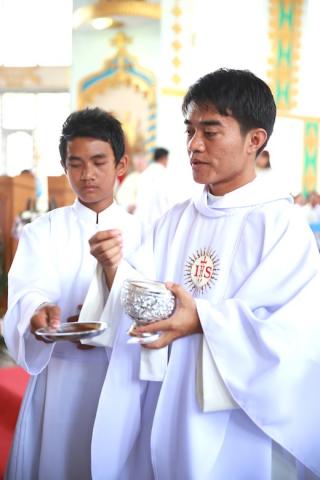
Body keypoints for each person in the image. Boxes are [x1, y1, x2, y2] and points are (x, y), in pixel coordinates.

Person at [83, 69, 320, 479]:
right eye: (189, 130)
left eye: (210, 132)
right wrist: (113, 271)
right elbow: (133, 296)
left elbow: (298, 336)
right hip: (168, 401)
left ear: (255, 140)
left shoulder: (282, 225)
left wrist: (203, 320)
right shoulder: (174, 220)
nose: (193, 145)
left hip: (243, 420)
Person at [3, 107, 142, 480]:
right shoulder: (42, 231)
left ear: (120, 164)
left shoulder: (144, 232)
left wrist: (109, 316)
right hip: (60, 377)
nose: (87, 174)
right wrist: (39, 310)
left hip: (119, 375)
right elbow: (26, 289)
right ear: (64, 166)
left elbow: (155, 302)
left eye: (99, 161)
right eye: (75, 163)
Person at [134, 147, 174, 232]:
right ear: (164, 158)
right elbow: (166, 200)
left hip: (141, 224)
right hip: (159, 224)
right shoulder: (165, 174)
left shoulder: (144, 174)